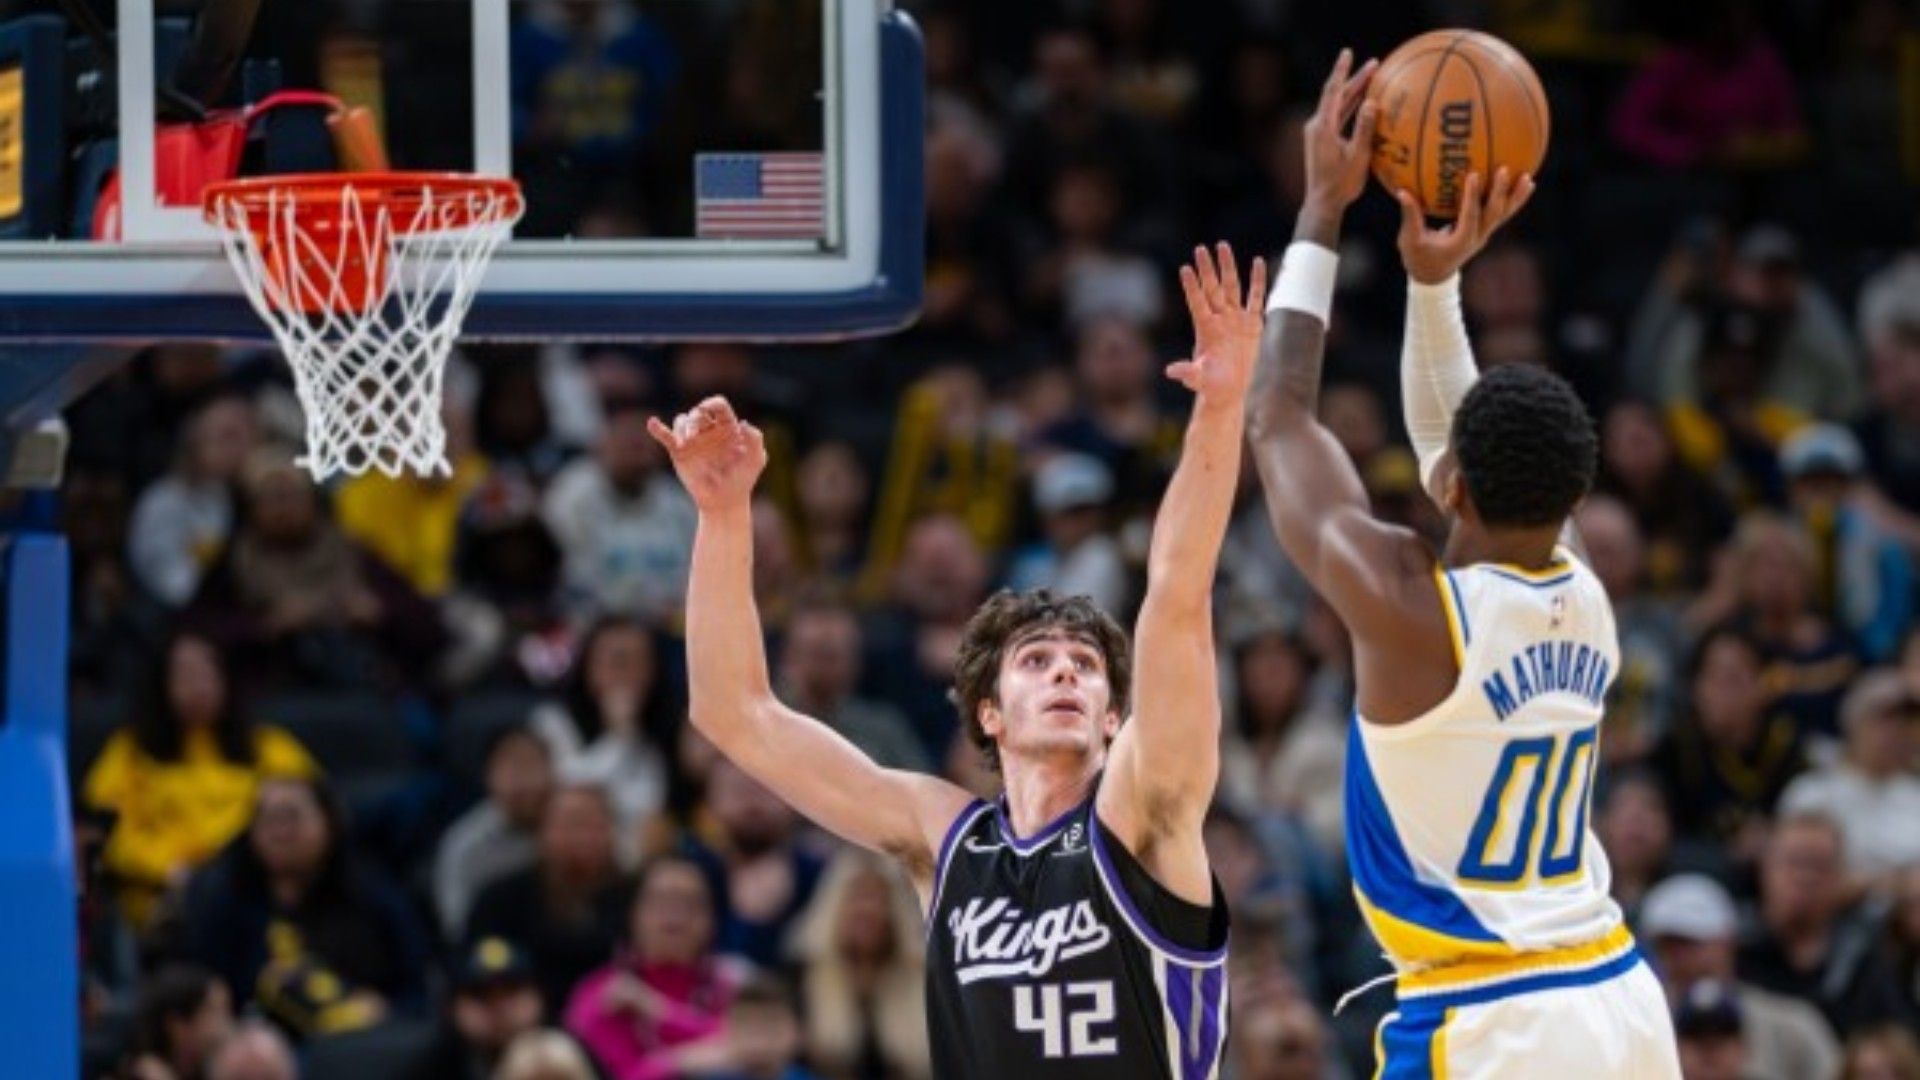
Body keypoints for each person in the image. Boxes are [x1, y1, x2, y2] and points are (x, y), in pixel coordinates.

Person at [645, 238, 1256, 1074]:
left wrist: (1220, 408)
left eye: (1085, 665)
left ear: (1115, 717)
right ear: (989, 713)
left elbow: (1179, 595)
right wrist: (722, 519)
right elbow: (734, 714)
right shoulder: (947, 840)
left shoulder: (1146, 811)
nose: (1066, 670)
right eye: (1036, 660)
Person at [1242, 51, 1679, 1075]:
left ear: (1451, 489)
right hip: (1619, 996)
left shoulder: (1413, 612)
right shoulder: (1584, 589)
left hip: (1494, 1017)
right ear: (1572, 497)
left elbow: (1277, 421)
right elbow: (1451, 436)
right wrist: (1432, 281)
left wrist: (1322, 206)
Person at [84, 631, 318, 927]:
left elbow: (317, 812)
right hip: (170, 895)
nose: (198, 686)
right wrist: (165, 865)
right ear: (163, 684)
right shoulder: (130, 753)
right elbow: (104, 828)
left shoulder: (269, 747)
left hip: (260, 883)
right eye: (186, 675)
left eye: (208, 673)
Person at [1638, 874, 1840, 1080]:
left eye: (1691, 944)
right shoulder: (1641, 1029)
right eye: (1668, 947)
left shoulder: (1792, 1027)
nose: (1682, 959)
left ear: (1727, 942)